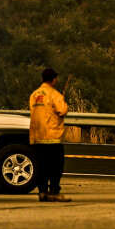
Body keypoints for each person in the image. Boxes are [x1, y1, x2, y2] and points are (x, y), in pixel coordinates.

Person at [29, 67, 71, 202]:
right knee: (55, 167)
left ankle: (42, 192)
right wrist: (65, 102)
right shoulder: (55, 94)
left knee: (41, 166)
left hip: (37, 136)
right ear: (53, 79)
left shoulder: (34, 95)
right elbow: (62, 111)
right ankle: (54, 192)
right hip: (52, 137)